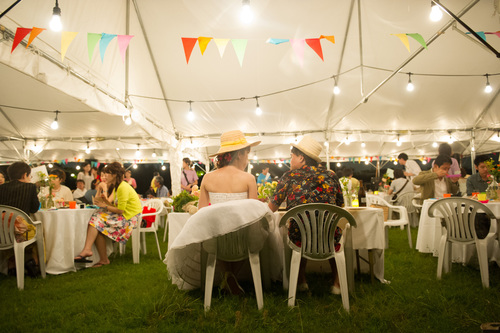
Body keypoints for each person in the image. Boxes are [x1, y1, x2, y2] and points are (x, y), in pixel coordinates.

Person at [268, 135, 344, 295]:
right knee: (327, 227)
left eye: (292, 156)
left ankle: (301, 281)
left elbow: (271, 208)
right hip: (328, 237)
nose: (290, 160)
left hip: (300, 237)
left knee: (301, 225)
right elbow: (340, 205)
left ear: (301, 158)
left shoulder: (289, 176)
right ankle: (337, 283)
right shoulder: (331, 175)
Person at [198, 130, 260, 295]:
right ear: (239, 154)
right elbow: (254, 215)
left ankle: (228, 277)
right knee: (256, 233)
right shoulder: (249, 179)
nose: (248, 158)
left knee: (219, 235)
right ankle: (231, 278)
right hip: (243, 240)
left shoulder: (207, 178)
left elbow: (201, 213)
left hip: (216, 239)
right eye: (247, 153)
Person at [74, 162, 142, 267]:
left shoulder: (123, 187)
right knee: (96, 221)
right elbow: (100, 203)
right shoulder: (117, 186)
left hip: (130, 219)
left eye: (107, 173)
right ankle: (100, 257)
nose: (105, 176)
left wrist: (105, 205)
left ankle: (90, 251)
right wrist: (101, 191)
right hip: (125, 215)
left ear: (115, 175)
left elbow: (120, 210)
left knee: (96, 220)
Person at [0, 162, 40, 276]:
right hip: (21, 232)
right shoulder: (30, 187)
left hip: (2, 232)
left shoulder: (1, 188)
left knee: (12, 228)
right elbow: (34, 209)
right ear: (24, 175)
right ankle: (31, 261)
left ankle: (12, 266)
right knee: (38, 230)